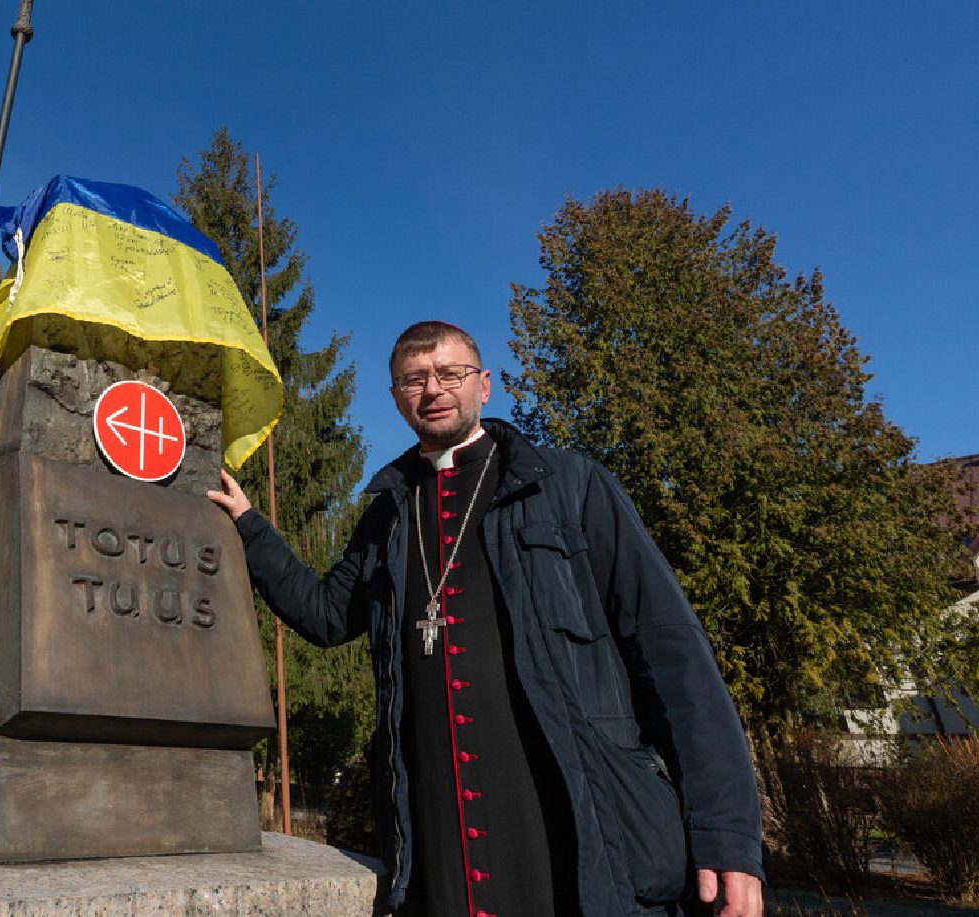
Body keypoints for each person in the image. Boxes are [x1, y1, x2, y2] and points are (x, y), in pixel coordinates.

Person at [207, 321, 763, 916]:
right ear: (395, 397)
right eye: (414, 379)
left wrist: (727, 835)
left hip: (574, 832)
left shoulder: (570, 486)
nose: (433, 390)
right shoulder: (387, 516)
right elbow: (325, 615)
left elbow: (672, 652)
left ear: (485, 385)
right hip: (440, 843)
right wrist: (250, 527)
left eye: (451, 374)